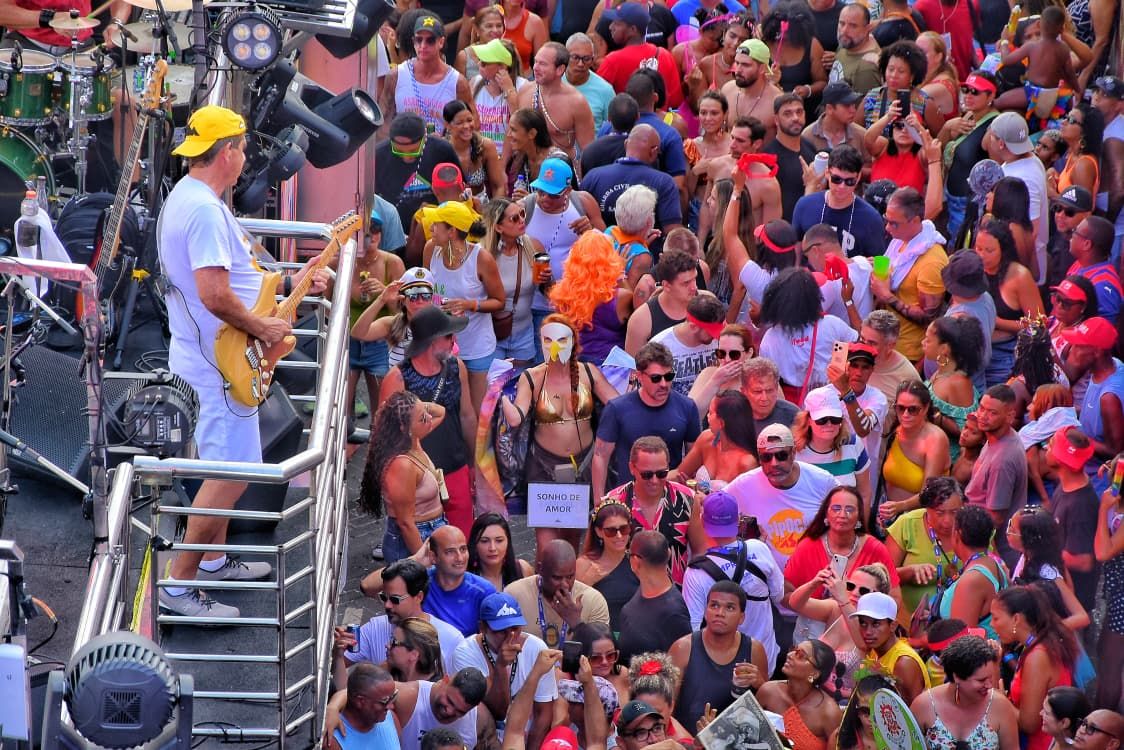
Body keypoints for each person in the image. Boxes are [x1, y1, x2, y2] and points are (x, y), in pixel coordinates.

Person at [157, 106, 328, 618]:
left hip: (214, 357)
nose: (247, 156)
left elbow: (240, 274)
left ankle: (212, 560)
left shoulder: (191, 197)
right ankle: (179, 584)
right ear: (227, 152)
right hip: (221, 363)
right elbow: (214, 293)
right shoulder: (206, 211)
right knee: (229, 473)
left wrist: (293, 279)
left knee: (228, 465)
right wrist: (262, 326)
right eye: (243, 148)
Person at [500, 314, 617, 549]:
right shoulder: (532, 377)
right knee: (547, 548)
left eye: (562, 339)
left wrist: (635, 381)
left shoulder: (588, 372)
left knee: (572, 544)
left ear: (573, 341)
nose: (554, 346)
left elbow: (617, 405)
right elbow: (516, 418)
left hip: (582, 467)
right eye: (548, 340)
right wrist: (498, 391)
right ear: (541, 341)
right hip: (543, 468)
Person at [379, 307, 477, 535]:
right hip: (417, 479)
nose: (454, 340)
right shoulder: (397, 378)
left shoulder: (457, 367)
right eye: (449, 336)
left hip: (456, 470)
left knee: (462, 541)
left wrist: (472, 465)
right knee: (421, 546)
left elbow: (467, 416)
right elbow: (384, 437)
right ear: (433, 341)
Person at [683, 491, 785, 670]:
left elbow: (693, 628)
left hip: (723, 668)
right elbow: (778, 595)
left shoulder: (697, 572)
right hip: (765, 661)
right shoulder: (759, 548)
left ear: (703, 522)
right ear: (737, 520)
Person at [783, 486, 901, 638]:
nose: (842, 514)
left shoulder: (875, 549)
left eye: (850, 509)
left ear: (859, 516)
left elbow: (894, 599)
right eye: (836, 508)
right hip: (811, 630)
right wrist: (822, 610)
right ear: (826, 514)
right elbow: (786, 596)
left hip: (862, 630)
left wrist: (863, 620)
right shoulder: (807, 547)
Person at [592, 344, 702, 500]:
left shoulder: (687, 407)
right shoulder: (617, 409)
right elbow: (600, 456)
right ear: (639, 376)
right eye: (656, 378)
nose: (663, 384)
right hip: (628, 499)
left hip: (671, 499)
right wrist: (599, 501)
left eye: (669, 376)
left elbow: (696, 455)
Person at [333, 559, 465, 688]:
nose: (387, 605)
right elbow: (339, 677)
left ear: (419, 597)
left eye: (395, 599)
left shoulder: (451, 638)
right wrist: (338, 651)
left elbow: (460, 693)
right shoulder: (374, 628)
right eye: (384, 597)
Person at [725, 424, 841, 570]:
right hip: (768, 576)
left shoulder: (821, 481)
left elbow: (850, 505)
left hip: (815, 574)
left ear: (793, 453)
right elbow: (712, 504)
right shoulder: (744, 484)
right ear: (759, 458)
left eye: (781, 456)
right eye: (766, 457)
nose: (774, 463)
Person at [451, 593, 557, 748]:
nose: (511, 637)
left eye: (515, 628)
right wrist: (501, 667)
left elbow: (543, 713)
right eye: (501, 630)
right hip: (484, 741)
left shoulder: (536, 647)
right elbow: (499, 712)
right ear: (482, 628)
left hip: (525, 738)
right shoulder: (465, 652)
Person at [600, 437, 703, 584]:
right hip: (628, 592)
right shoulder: (612, 503)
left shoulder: (688, 500)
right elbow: (600, 556)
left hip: (675, 592)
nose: (654, 481)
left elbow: (700, 552)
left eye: (661, 474)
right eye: (647, 475)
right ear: (632, 468)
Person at [360, 392, 448, 562]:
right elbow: (405, 524)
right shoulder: (401, 465)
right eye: (423, 418)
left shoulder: (413, 441)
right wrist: (424, 562)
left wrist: (417, 408)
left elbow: (441, 412)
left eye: (426, 413)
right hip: (416, 537)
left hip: (431, 530)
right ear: (404, 428)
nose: (430, 418)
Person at [361, 526, 497, 637]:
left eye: (463, 549)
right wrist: (416, 559)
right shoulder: (420, 579)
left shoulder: (483, 591)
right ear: (433, 556)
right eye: (450, 552)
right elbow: (367, 586)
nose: (460, 558)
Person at [669, 580, 769, 728]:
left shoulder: (754, 650)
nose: (720, 613)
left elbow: (766, 708)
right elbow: (666, 707)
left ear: (741, 617)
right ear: (705, 612)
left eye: (730, 607)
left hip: (736, 738)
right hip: (688, 738)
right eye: (714, 605)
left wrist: (760, 684)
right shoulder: (682, 648)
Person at [992, 585, 1079, 750]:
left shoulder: (1038, 656)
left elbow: (1029, 724)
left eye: (996, 618)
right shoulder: (1037, 644)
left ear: (1016, 619)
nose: (992, 624)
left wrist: (1000, 699)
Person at [869, 187, 948, 363]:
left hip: (908, 354)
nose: (887, 228)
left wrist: (887, 296)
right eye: (886, 220)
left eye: (894, 223)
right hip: (886, 343)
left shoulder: (931, 262)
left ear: (915, 221)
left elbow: (929, 318)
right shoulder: (900, 241)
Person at [325, 668, 490, 750]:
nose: (450, 711)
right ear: (445, 680)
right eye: (449, 701)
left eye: (461, 712)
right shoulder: (410, 696)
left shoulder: (390, 718)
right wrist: (332, 707)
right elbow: (356, 691)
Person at [760, 268, 859, 399]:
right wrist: (848, 301)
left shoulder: (770, 338)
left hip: (791, 401)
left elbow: (769, 378)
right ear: (813, 297)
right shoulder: (832, 324)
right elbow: (859, 343)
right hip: (832, 397)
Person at [347, 212, 406, 431]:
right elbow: (326, 307)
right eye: (364, 233)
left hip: (381, 343)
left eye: (374, 232)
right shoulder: (342, 262)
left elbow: (402, 314)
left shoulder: (392, 263)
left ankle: (377, 446)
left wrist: (384, 295)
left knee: (381, 410)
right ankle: (345, 447)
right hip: (348, 341)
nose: (370, 237)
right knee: (342, 408)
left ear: (380, 235)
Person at [909, 635, 1020, 750]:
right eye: (981, 680)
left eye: (990, 678)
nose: (989, 685)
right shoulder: (923, 705)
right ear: (957, 677)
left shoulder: (1000, 706)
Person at [965, 384, 1028, 569]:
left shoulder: (1003, 460)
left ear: (1009, 416)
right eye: (981, 408)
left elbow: (995, 518)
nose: (983, 416)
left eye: (992, 412)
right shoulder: (996, 437)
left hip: (994, 549)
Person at [548, 231, 632, 366]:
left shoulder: (562, 294)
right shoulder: (622, 297)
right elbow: (636, 320)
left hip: (576, 365)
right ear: (610, 260)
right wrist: (621, 274)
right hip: (611, 368)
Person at [380, 16, 473, 137]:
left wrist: (447, 140)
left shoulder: (457, 82)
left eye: (430, 40)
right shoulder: (396, 76)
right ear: (413, 41)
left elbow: (472, 124)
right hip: (403, 146)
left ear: (441, 42)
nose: (423, 45)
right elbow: (384, 122)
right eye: (419, 40)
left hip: (440, 147)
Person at [582, 126, 683, 238]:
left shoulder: (592, 177)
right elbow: (673, 233)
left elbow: (578, 223)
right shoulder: (664, 182)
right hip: (648, 249)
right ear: (653, 151)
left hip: (601, 248)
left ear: (626, 144)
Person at [505, 539, 611, 646]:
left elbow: (603, 651)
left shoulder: (593, 600)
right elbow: (503, 644)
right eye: (557, 578)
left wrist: (577, 623)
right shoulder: (513, 595)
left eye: (570, 576)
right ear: (540, 569)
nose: (565, 585)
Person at [886, 476, 965, 615]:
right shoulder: (907, 524)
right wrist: (909, 572)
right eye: (940, 513)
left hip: (959, 619)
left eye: (954, 512)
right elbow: (882, 576)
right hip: (909, 620)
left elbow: (991, 568)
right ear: (927, 508)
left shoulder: (971, 526)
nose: (947, 521)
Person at [377, 113, 463, 240]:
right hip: (393, 232)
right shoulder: (379, 156)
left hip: (435, 232)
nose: (406, 157)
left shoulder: (442, 151)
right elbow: (373, 201)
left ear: (424, 138)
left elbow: (458, 192)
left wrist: (435, 211)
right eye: (399, 151)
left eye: (413, 151)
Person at [792, 145, 887, 258]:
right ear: (827, 173)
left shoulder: (871, 219)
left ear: (858, 178)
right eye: (837, 179)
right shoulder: (805, 205)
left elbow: (877, 261)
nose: (842, 186)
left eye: (849, 181)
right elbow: (796, 250)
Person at [987, 112, 1049, 284]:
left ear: (1001, 143)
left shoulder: (1025, 178)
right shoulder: (1028, 159)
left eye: (992, 135)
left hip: (1021, 273)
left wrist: (1015, 275)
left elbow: (1031, 232)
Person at [878, 381, 951, 526]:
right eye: (900, 408)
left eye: (913, 409)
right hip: (888, 515)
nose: (905, 414)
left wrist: (901, 506)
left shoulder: (935, 439)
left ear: (926, 408)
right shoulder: (896, 431)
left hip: (919, 520)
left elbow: (929, 491)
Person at [481, 199, 544, 367]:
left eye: (522, 214)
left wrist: (546, 280)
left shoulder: (533, 246)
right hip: (493, 335)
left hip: (524, 334)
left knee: (522, 381)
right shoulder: (484, 255)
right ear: (498, 227)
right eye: (514, 218)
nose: (522, 220)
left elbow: (547, 290)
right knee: (494, 383)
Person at [940, 71, 1001, 241]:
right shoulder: (968, 116)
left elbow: (999, 170)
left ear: (991, 96)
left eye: (975, 92)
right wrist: (946, 127)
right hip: (951, 197)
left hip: (967, 205)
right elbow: (938, 146)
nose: (968, 95)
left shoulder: (993, 127)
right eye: (966, 90)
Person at [1043, 429, 1100, 613]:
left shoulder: (1080, 506)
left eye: (1051, 446)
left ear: (1061, 460)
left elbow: (1084, 561)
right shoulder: (1067, 485)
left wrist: (1039, 551)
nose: (1046, 448)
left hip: (1073, 603)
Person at [618, 530, 693, 662]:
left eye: (628, 554)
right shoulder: (643, 591)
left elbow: (683, 665)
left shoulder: (674, 613)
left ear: (635, 562)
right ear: (668, 553)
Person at [756, 641, 843, 750]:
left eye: (800, 655)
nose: (789, 655)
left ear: (815, 673)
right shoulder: (768, 691)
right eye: (793, 650)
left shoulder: (829, 713)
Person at [596, 2, 684, 108]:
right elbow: (675, 103)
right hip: (659, 118)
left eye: (617, 24)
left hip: (626, 118)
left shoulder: (612, 61)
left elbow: (596, 99)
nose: (611, 27)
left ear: (633, 29)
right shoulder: (665, 55)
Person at [939, 506, 1008, 639]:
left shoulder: (972, 580)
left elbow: (961, 640)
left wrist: (920, 641)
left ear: (957, 535)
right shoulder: (994, 563)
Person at [849, 591, 930, 704]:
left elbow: (914, 710)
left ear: (893, 626)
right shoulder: (875, 649)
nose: (867, 632)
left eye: (876, 624)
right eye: (863, 623)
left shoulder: (904, 662)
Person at [793, 387, 873, 501]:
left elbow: (864, 494)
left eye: (835, 419)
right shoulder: (793, 451)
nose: (829, 424)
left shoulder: (854, 444)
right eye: (822, 419)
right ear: (808, 420)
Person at [516, 42, 596, 156]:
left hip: (560, 165)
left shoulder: (576, 102)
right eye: (536, 61)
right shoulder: (525, 91)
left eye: (543, 64)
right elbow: (512, 134)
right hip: (527, 164)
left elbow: (588, 150)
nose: (535, 68)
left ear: (560, 69)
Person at [353, 268, 437, 373]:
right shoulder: (392, 323)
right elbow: (358, 333)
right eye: (413, 295)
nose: (420, 301)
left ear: (432, 299)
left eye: (426, 295)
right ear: (403, 299)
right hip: (397, 382)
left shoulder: (441, 325)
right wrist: (381, 299)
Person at [922, 317, 983, 456]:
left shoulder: (959, 383)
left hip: (947, 458)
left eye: (928, 340)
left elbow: (967, 431)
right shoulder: (940, 372)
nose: (923, 342)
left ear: (944, 349)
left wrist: (936, 416)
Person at [577, 498, 639, 632]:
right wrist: (587, 581)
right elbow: (571, 607)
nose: (619, 536)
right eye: (611, 531)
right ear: (599, 532)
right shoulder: (584, 564)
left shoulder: (639, 561)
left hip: (633, 636)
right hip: (597, 637)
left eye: (624, 529)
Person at [824, 341, 889, 470]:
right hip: (831, 468)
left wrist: (846, 392)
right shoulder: (825, 394)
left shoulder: (878, 398)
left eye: (865, 367)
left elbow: (863, 429)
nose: (859, 373)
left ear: (872, 370)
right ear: (845, 366)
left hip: (864, 471)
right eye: (854, 366)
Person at [676, 389, 758, 490]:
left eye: (710, 413)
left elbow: (746, 499)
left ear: (721, 423)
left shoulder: (747, 463)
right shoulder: (706, 439)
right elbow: (679, 473)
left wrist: (700, 495)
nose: (707, 416)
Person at [760, 2, 829, 118]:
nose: (783, 36)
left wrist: (808, 90)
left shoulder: (812, 45)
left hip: (802, 115)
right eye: (778, 33)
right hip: (768, 112)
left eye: (789, 34)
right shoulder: (762, 44)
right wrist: (769, 82)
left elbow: (822, 82)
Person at [624, 250, 700, 355]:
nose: (694, 287)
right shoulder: (642, 320)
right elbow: (632, 363)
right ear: (667, 286)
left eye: (695, 279)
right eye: (686, 283)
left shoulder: (707, 303)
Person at [861, 40, 944, 136]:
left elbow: (941, 138)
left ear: (912, 75)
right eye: (891, 69)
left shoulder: (925, 104)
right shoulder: (871, 97)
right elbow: (856, 132)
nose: (893, 75)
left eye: (901, 71)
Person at [650, 294, 724, 397]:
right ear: (693, 327)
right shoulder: (659, 347)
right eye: (711, 332)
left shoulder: (721, 340)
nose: (716, 337)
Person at [1095, 465, 1124, 712]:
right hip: (1116, 589)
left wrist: (1104, 508)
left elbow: (1103, 552)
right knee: (1104, 651)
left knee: (1112, 662)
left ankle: (1104, 720)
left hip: (1122, 596)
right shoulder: (1118, 504)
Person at [720, 40, 784, 137]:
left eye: (745, 65)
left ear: (762, 68)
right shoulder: (727, 90)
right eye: (737, 63)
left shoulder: (776, 100)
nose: (738, 70)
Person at [443, 100, 505, 199]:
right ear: (447, 125)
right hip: (451, 206)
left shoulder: (485, 146)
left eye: (469, 120)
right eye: (460, 123)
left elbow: (498, 187)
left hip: (481, 205)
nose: (466, 126)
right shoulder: (441, 149)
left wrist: (494, 208)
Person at [327, 664, 400, 749]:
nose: (391, 706)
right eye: (385, 701)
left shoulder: (391, 718)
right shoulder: (333, 741)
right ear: (360, 701)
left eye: (393, 697)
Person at [863, 312, 929, 404]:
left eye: (872, 343)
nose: (864, 347)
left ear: (890, 345)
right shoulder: (850, 357)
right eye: (862, 339)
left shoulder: (907, 376)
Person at [1067, 215, 1123, 321]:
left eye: (1075, 232)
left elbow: (1106, 328)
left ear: (1087, 244)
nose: (1071, 235)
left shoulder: (1103, 286)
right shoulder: (1079, 264)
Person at [466, 513, 535, 593]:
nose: (492, 548)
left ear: (508, 541)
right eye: (484, 541)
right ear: (474, 544)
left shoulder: (522, 570)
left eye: (499, 541)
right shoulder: (464, 577)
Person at [803, 82, 870, 157]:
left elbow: (871, 163)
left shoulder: (861, 135)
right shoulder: (807, 136)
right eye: (847, 105)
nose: (853, 110)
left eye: (853, 104)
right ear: (829, 108)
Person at [565, 33, 615, 132]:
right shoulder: (553, 81)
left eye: (586, 59)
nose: (580, 64)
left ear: (592, 60)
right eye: (575, 57)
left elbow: (612, 130)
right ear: (565, 56)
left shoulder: (606, 90)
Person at [836, 674, 901, 750]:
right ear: (856, 710)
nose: (872, 719)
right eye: (865, 711)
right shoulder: (840, 738)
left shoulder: (903, 743)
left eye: (879, 712)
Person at [831, 4, 882, 97]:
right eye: (842, 23)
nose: (844, 31)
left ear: (867, 29)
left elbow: (863, 105)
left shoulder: (866, 68)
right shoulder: (847, 44)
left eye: (853, 26)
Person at [574, 622, 631, 704]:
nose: (605, 662)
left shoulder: (622, 673)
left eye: (610, 655)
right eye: (596, 658)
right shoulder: (571, 682)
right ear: (581, 658)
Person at [499, 0, 546, 72]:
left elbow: (542, 64)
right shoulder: (489, 18)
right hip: (491, 76)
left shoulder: (535, 22)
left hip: (524, 77)